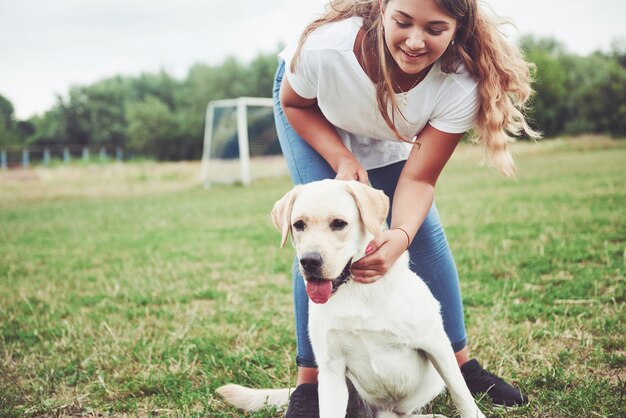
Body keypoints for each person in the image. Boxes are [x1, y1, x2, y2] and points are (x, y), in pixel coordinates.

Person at [272, 0, 539, 415]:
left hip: (388, 117)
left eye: (435, 28)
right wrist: (341, 159)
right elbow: (295, 104)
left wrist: (400, 235)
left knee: (423, 233)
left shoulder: (460, 82)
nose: (415, 41)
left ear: (458, 28)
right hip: (312, 106)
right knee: (318, 232)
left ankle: (460, 364)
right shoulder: (326, 49)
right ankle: (310, 382)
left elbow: (418, 181)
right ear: (382, 12)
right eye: (403, 22)